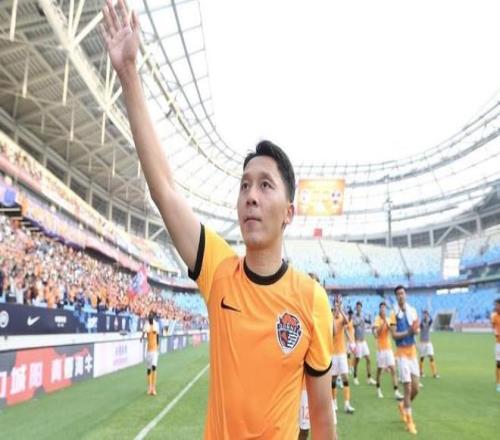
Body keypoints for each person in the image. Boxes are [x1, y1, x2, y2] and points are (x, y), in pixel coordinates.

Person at [101, 2, 334, 438]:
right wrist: (129, 73)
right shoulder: (220, 272)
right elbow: (165, 190)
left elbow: (321, 418)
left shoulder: (310, 299)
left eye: (265, 185)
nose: (251, 195)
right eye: (244, 185)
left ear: (289, 212)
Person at [390, 286, 420, 435]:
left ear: (405, 294)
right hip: (401, 353)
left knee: (416, 389)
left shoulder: (412, 310)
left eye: (402, 293)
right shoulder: (393, 313)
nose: (400, 296)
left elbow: (417, 330)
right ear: (396, 297)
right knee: (407, 388)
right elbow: (394, 335)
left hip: (412, 352)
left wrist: (415, 330)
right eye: (398, 294)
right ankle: (409, 422)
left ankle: (403, 405)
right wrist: (408, 332)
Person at [372, 302, 403, 400]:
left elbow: (391, 331)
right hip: (380, 349)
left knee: (393, 369)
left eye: (384, 308)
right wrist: (383, 323)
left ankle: (396, 391)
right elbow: (377, 333)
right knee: (379, 371)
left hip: (388, 348)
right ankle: (378, 389)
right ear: (379, 309)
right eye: (381, 308)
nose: (383, 310)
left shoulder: (389, 319)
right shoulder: (377, 319)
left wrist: (388, 323)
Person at [331, 295, 356, 414]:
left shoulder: (342, 317)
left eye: (339, 303)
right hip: (332, 353)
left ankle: (347, 404)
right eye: (336, 303)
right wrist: (333, 315)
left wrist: (340, 310)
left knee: (345, 377)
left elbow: (347, 322)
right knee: (333, 379)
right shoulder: (329, 317)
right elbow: (332, 332)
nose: (337, 305)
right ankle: (334, 403)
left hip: (341, 353)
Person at [352, 301, 376, 385]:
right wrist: (361, 320)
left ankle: (369, 378)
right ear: (356, 308)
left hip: (363, 341)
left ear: (361, 308)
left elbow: (367, 322)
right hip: (357, 342)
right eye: (357, 307)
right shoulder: (354, 316)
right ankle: (355, 377)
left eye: (360, 307)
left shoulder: (363, 315)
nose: (359, 308)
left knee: (368, 359)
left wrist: (370, 323)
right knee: (357, 360)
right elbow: (354, 324)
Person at [141, 312, 159, 395]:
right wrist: (141, 337)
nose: (150, 318)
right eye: (149, 317)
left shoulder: (156, 325)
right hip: (149, 350)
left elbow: (157, 336)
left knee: (154, 367)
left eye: (151, 317)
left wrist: (158, 345)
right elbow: (144, 332)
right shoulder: (147, 326)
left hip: (154, 350)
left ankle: (153, 388)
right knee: (149, 369)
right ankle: (149, 387)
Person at [419, 310, 439, 379]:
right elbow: (421, 325)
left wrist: (429, 315)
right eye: (424, 314)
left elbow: (431, 320)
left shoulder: (428, 322)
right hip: (422, 343)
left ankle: (434, 373)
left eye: (426, 314)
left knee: (431, 356)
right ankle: (421, 372)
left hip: (428, 343)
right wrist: (424, 317)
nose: (425, 315)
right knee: (422, 358)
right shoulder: (421, 323)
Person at [491, 298, 500, 392]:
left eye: (497, 305)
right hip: (498, 344)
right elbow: (493, 327)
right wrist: (495, 332)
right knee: (498, 363)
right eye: (495, 305)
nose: (496, 307)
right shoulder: (494, 316)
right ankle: (498, 383)